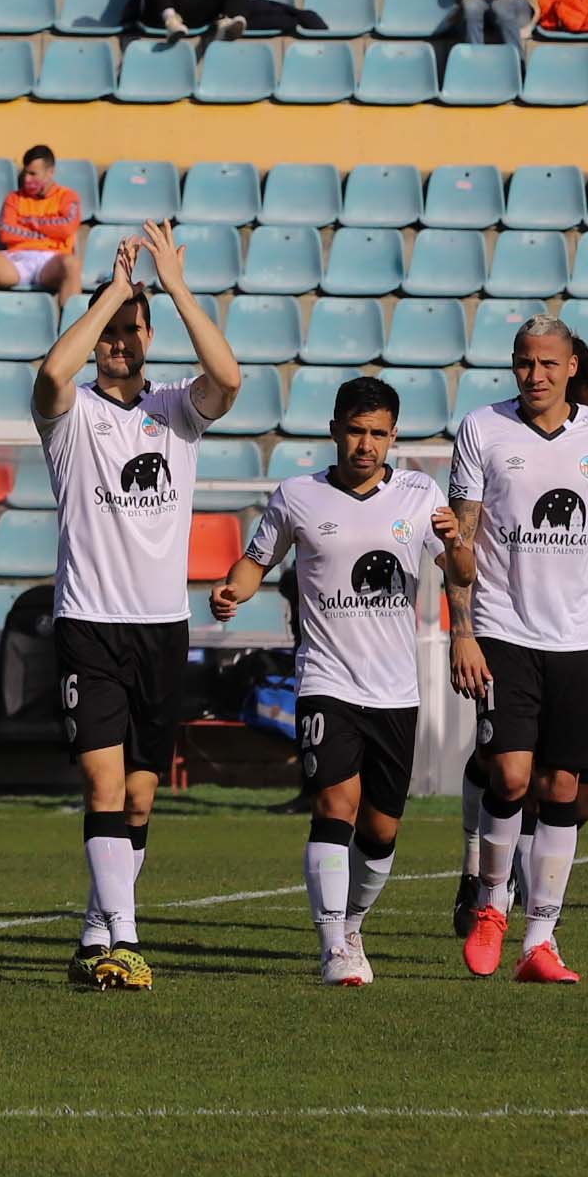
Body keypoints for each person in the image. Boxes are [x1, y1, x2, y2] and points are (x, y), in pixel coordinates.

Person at [34, 221, 242, 991]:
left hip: (161, 629)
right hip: (89, 623)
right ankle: (124, 937)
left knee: (143, 792)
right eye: (111, 331)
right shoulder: (71, 416)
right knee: (103, 787)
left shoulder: (175, 409)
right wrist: (113, 291)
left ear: (152, 336)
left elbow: (229, 379)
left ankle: (93, 933)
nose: (120, 341)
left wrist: (174, 289)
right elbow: (53, 374)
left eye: (132, 329)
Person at [212, 377, 466, 986]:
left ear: (393, 436)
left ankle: (352, 923)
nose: (365, 444)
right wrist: (233, 592)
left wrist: (458, 541)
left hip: (395, 690)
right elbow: (257, 559)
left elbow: (462, 571)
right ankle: (333, 944)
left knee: (381, 830)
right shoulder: (297, 496)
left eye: (378, 433)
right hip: (326, 678)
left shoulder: (418, 495)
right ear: (334, 430)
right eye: (356, 430)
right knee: (335, 805)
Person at [446, 316, 588, 984]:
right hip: (503, 629)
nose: (534, 375)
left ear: (571, 366)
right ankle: (491, 904)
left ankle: (539, 941)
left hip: (580, 636)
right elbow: (460, 539)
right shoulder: (482, 430)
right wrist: (461, 628)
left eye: (547, 364)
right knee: (510, 775)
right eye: (523, 363)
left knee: (564, 788)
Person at [0, 145, 83, 308]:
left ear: (50, 172)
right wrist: (47, 234)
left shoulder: (68, 197)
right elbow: (6, 232)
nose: (27, 179)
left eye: (33, 174)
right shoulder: (13, 198)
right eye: (26, 173)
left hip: (51, 260)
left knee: (72, 264)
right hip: (17, 259)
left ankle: (71, 328)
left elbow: (67, 228)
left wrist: (29, 222)